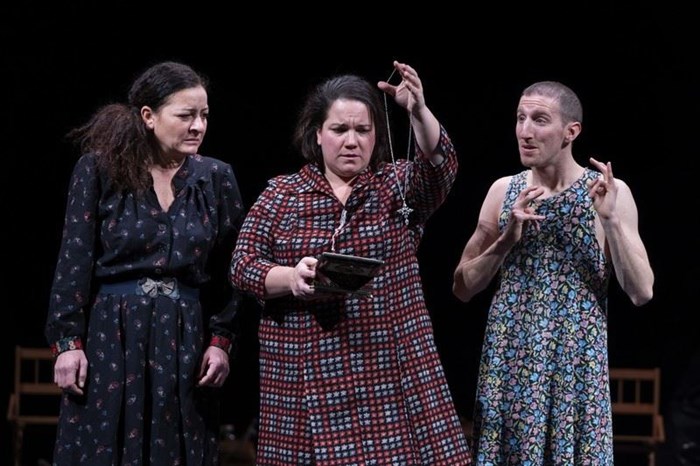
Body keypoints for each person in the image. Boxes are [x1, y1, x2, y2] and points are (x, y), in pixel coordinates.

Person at [229, 61, 472, 465]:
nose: (352, 141)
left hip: (386, 372)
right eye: (340, 129)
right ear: (317, 134)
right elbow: (242, 265)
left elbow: (439, 166)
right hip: (304, 373)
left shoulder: (396, 187)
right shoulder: (282, 195)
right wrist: (291, 277)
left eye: (363, 130)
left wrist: (418, 111)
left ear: (376, 136)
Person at [45, 61, 245, 464]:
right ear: (149, 116)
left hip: (185, 338)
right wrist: (67, 344)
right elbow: (73, 261)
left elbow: (233, 271)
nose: (198, 126)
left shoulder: (216, 178)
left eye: (204, 115)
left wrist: (221, 341)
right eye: (185, 115)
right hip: (113, 335)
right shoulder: (100, 169)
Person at [453, 81, 654, 465]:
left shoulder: (608, 193)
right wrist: (505, 241)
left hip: (574, 370)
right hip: (510, 366)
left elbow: (641, 291)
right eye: (520, 118)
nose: (525, 131)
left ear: (570, 132)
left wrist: (610, 221)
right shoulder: (503, 191)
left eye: (539, 120)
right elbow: (462, 288)